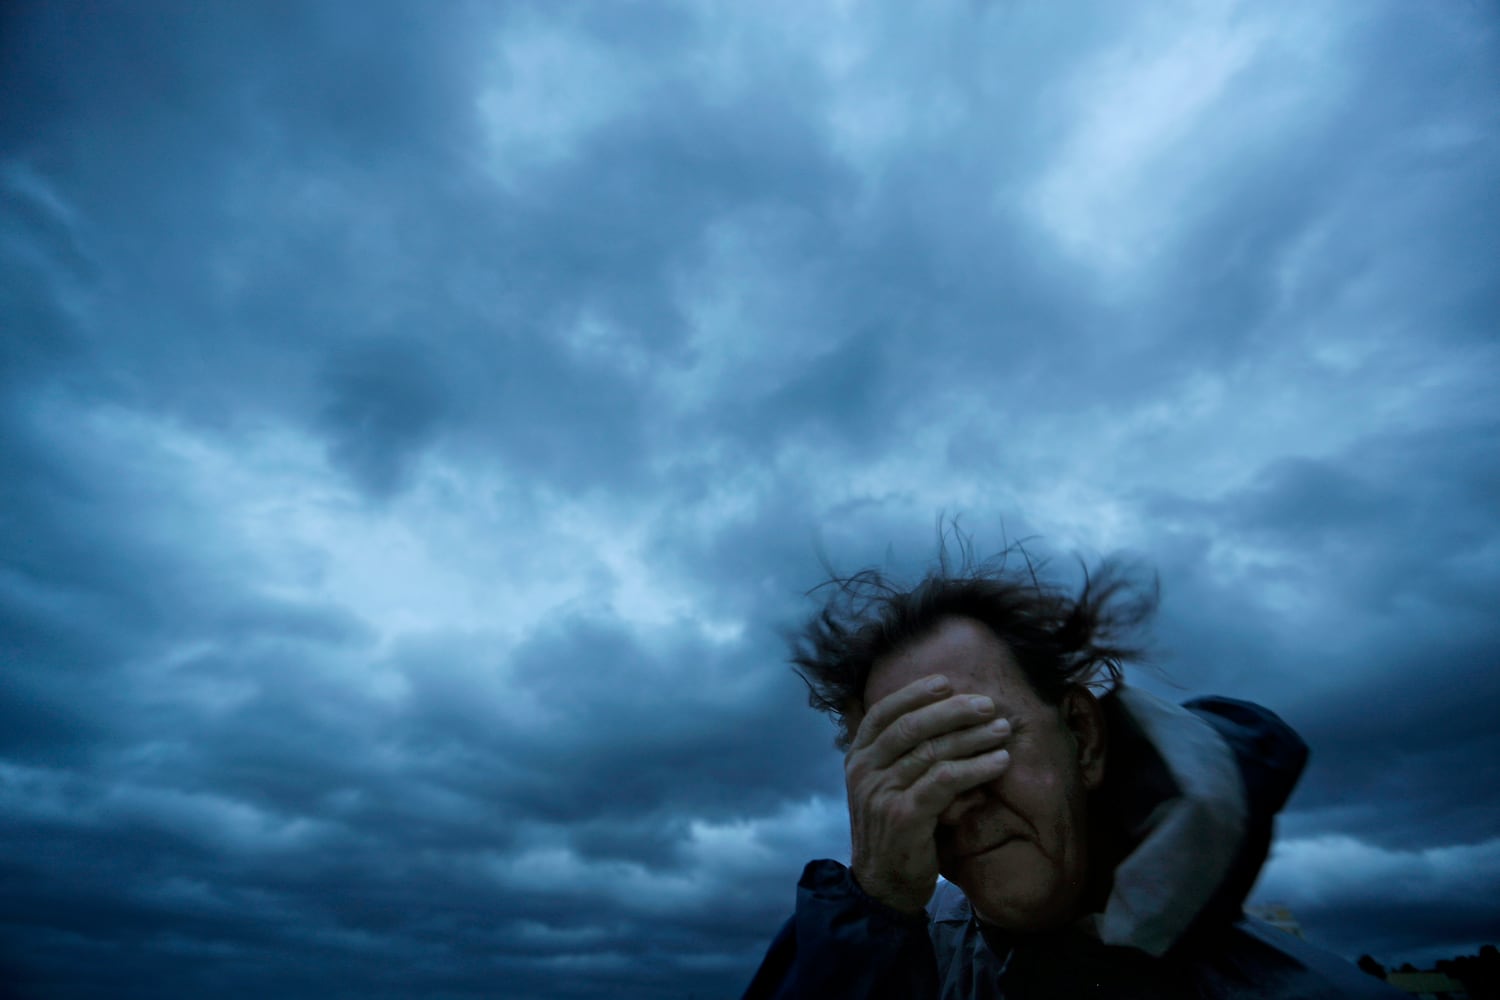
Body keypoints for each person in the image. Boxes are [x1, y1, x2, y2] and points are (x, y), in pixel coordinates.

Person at [742, 541, 1401, 998]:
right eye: (911, 765)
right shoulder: (902, 962)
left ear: (1082, 737)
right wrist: (872, 913)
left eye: (973, 738)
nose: (955, 799)